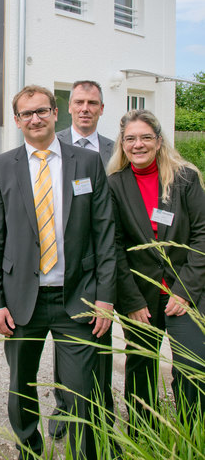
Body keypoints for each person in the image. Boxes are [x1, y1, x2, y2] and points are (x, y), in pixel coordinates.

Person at [0, 85, 116, 460]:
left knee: (81, 392)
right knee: (20, 388)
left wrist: (105, 295)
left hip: (79, 297)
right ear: (17, 120)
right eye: (27, 114)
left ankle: (85, 452)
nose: (35, 119)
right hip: (23, 299)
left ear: (57, 113)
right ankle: (31, 450)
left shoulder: (85, 163)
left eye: (42, 111)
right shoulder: (1, 166)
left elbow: (104, 232)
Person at [107, 109, 205, 426]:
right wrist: (131, 300)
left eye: (146, 137)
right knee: (140, 366)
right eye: (130, 138)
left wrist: (186, 291)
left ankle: (194, 433)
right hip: (140, 294)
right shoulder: (114, 185)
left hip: (184, 291)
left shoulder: (185, 178)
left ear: (159, 141)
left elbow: (202, 234)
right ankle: (141, 433)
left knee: (193, 365)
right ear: (122, 144)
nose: (138, 144)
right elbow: (115, 247)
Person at [50, 80, 115, 438]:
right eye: (80, 102)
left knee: (99, 340)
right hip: (63, 261)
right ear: (69, 108)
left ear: (102, 109)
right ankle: (65, 407)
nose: (86, 108)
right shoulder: (51, 143)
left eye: (93, 102)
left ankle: (101, 408)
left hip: (101, 258)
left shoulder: (114, 149)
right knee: (66, 343)